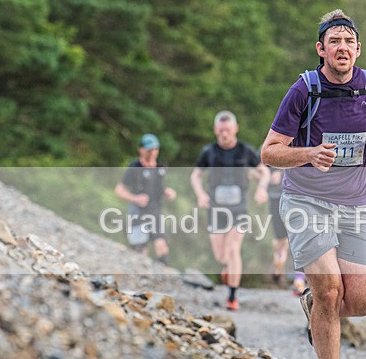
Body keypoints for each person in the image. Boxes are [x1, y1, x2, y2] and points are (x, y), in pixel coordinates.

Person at [260, 9, 366, 359]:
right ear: (321, 49)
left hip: (355, 205)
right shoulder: (304, 89)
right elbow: (269, 152)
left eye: (349, 41)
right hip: (305, 202)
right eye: (334, 41)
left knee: (364, 300)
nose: (342, 47)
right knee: (330, 289)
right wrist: (309, 153)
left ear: (358, 49)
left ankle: (314, 304)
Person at [191, 110, 269, 311]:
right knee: (221, 256)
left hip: (239, 208)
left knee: (234, 250)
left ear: (235, 129)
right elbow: (196, 175)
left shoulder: (245, 151)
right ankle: (226, 268)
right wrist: (200, 194)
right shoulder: (208, 152)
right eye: (221, 130)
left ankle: (232, 297)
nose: (225, 133)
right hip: (216, 209)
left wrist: (261, 189)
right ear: (216, 130)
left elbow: (264, 172)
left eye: (228, 129)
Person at [114, 133, 177, 265]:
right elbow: (119, 190)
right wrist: (135, 198)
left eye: (155, 149)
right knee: (139, 250)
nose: (152, 153)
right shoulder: (134, 167)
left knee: (161, 245)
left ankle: (164, 277)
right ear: (141, 149)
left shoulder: (161, 167)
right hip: (138, 213)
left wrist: (167, 192)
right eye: (149, 150)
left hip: (155, 212)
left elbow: (158, 187)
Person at [268, 169, 308, 295]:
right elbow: (254, 170)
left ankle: (299, 281)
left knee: (298, 240)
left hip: (299, 199)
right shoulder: (269, 149)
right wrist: (267, 177)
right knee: (280, 241)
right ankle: (278, 265)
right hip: (276, 198)